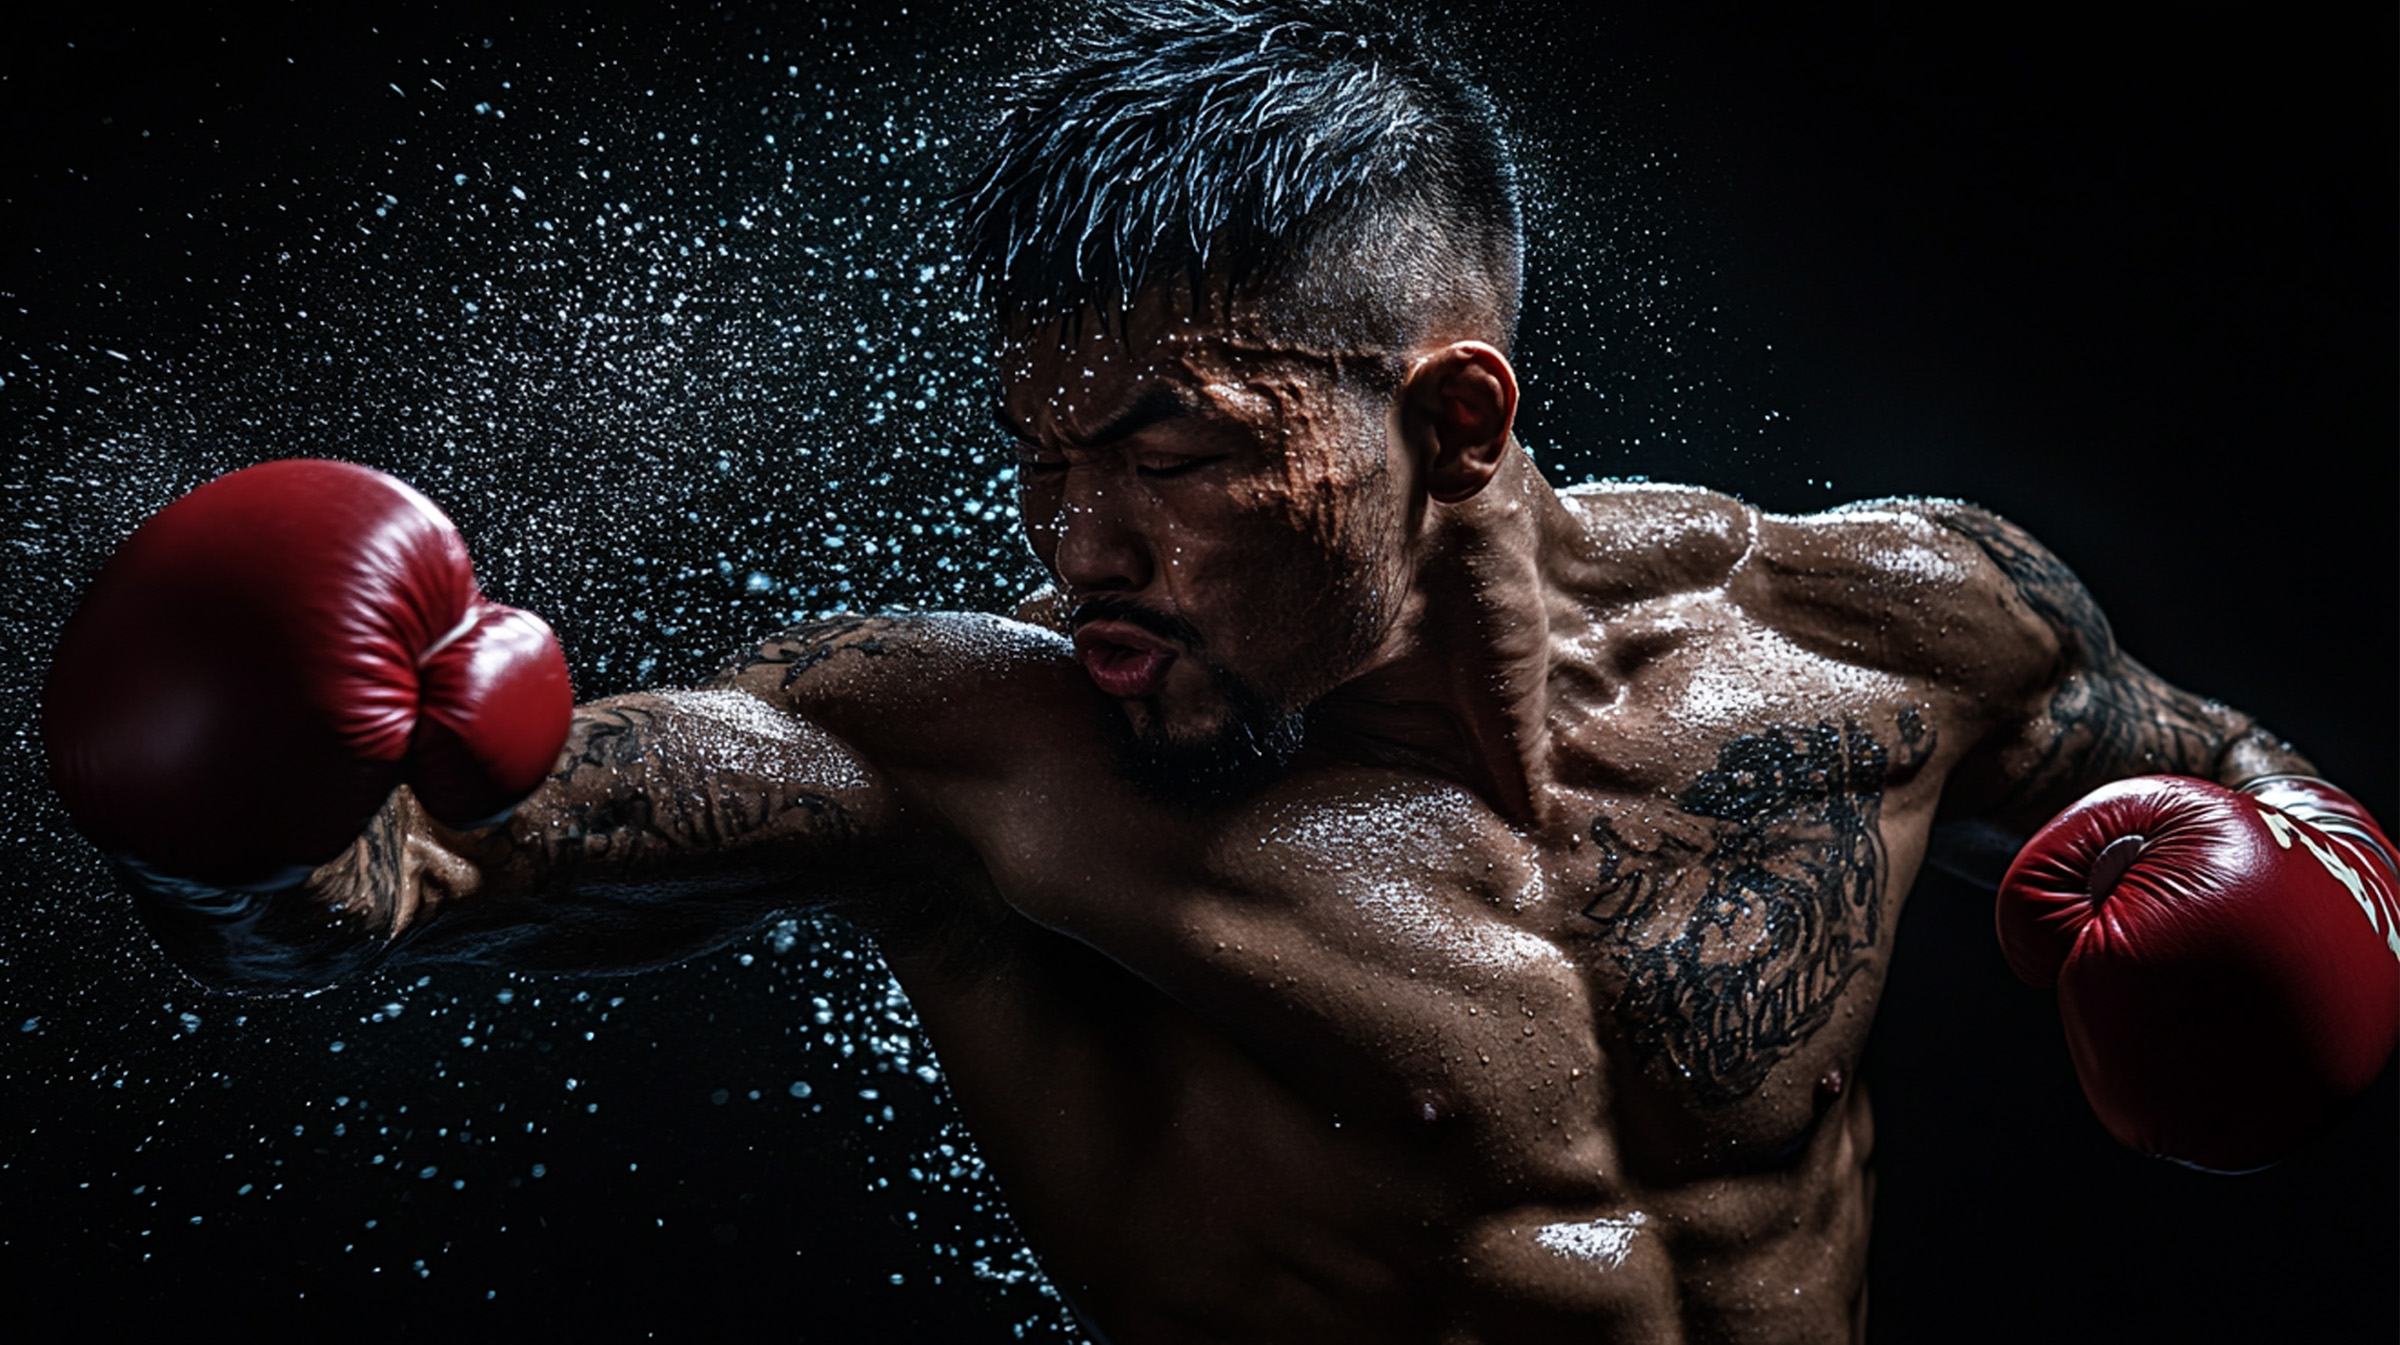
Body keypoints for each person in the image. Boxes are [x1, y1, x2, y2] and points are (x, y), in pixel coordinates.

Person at [41, 5, 2398, 1341]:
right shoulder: (965, 758)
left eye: (1165, 452)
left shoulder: (1891, 625)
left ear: (1450, 418)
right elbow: (365, 901)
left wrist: (2297, 891)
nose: (1078, 540)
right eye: (1042, 458)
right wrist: (220, 793)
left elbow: (2235, 774)